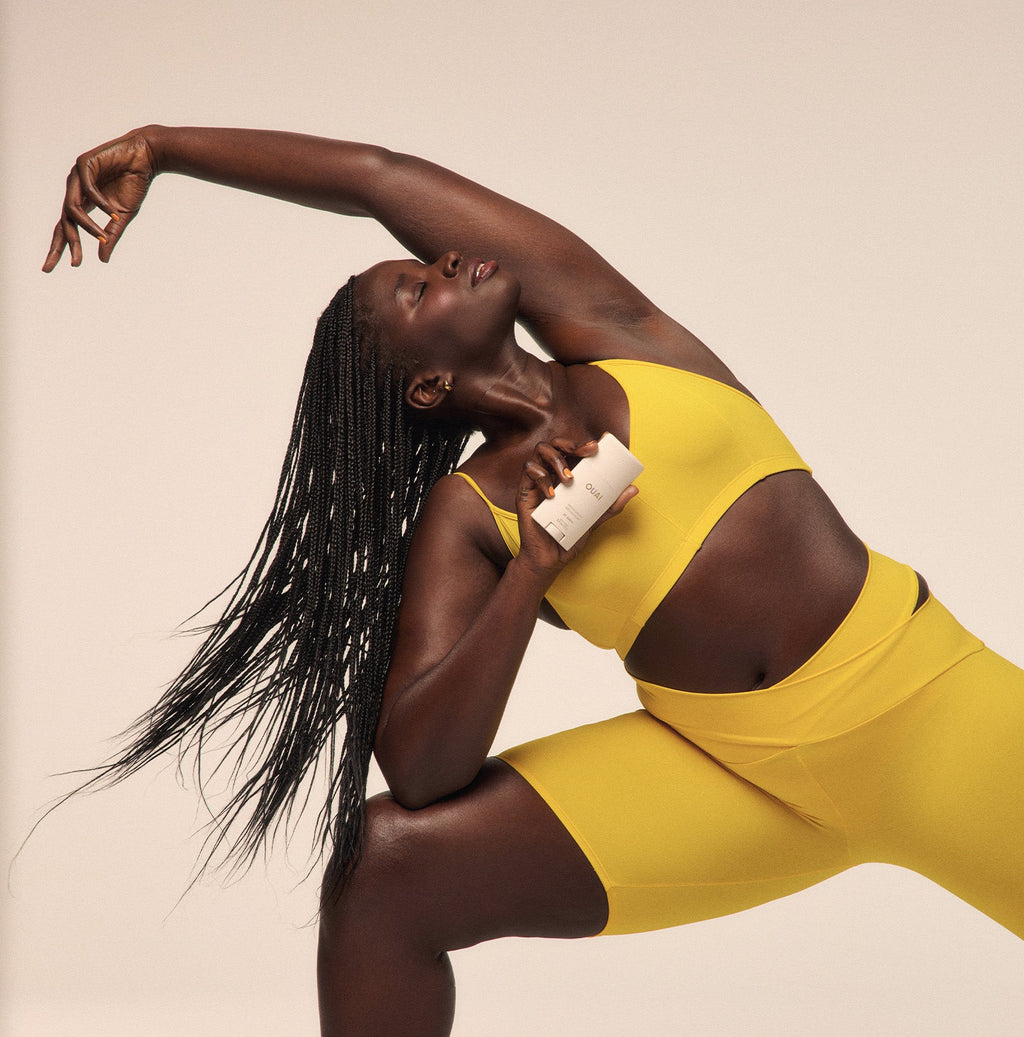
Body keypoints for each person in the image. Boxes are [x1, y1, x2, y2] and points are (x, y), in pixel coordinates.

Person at [44, 125, 1023, 1036]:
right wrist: (533, 570)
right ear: (427, 385)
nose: (447, 260)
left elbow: (377, 178)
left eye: (427, 262)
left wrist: (166, 146)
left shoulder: (622, 334)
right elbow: (420, 768)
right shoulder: (473, 512)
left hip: (922, 709)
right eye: (418, 289)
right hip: (729, 773)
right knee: (383, 868)